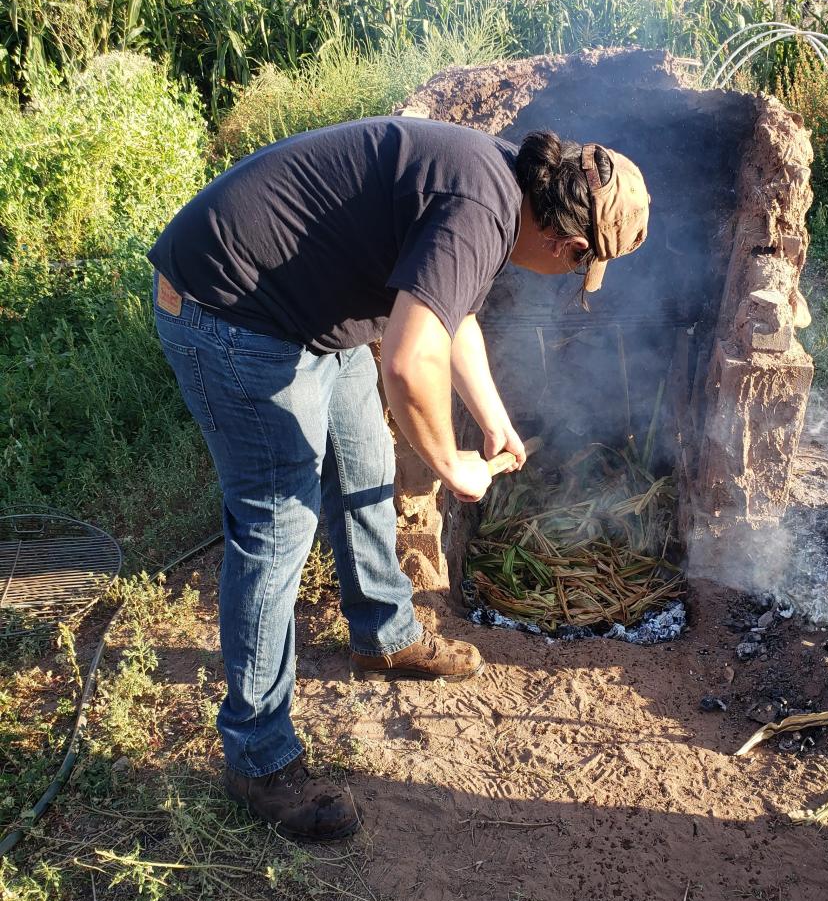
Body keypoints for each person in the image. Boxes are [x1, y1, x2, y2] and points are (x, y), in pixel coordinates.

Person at [150, 117, 649, 841]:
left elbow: (454, 316)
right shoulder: (481, 210)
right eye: (580, 268)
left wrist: (492, 417)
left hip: (309, 311)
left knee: (365, 459)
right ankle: (259, 757)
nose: (571, 275)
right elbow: (409, 362)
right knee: (276, 521)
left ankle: (382, 634)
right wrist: (453, 468)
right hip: (229, 308)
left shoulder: (501, 185)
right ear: (570, 247)